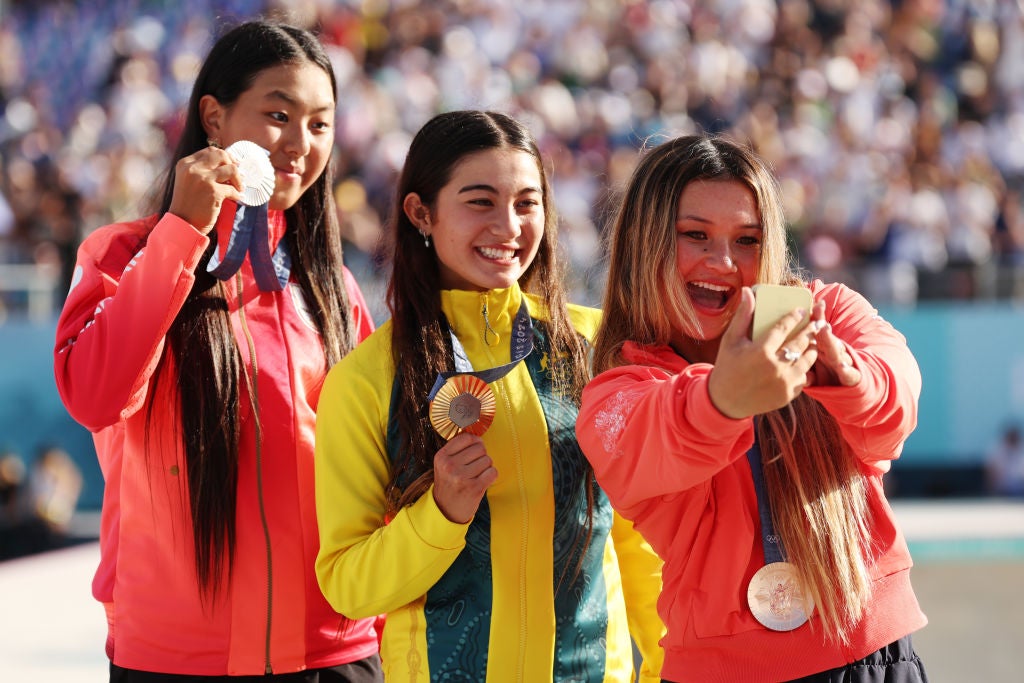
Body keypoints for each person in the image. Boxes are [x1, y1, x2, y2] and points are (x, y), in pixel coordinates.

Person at [53, 21, 382, 681]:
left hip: (334, 649)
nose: (299, 144)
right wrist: (180, 234)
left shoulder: (330, 283)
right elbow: (96, 396)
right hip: (176, 656)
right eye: (278, 115)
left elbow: (373, 455)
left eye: (320, 125)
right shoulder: (124, 254)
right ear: (213, 115)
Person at [314, 110, 665, 681]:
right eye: (480, 201)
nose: (509, 226)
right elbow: (348, 586)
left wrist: (665, 669)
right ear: (420, 213)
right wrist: (442, 512)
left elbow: (641, 539)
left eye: (527, 203)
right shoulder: (366, 381)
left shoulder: (598, 348)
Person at [574, 134, 930, 682]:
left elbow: (894, 410)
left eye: (748, 240)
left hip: (873, 656)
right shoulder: (618, 387)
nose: (724, 262)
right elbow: (652, 439)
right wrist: (724, 397)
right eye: (695, 236)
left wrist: (843, 376)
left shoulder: (829, 312)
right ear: (644, 243)